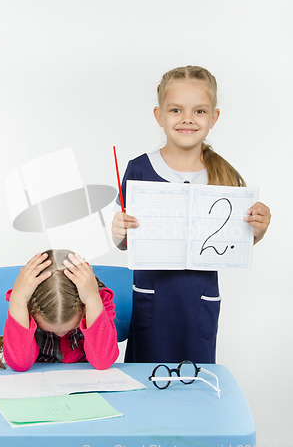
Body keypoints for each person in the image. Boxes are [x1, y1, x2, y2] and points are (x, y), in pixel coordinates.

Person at [111, 65, 271, 364]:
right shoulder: (139, 169)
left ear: (214, 117)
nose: (187, 119)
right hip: (153, 302)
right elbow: (127, 243)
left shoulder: (224, 174)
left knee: (195, 387)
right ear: (159, 115)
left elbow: (233, 243)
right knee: (147, 384)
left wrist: (257, 231)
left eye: (199, 111)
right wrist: (119, 233)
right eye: (175, 110)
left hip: (198, 303)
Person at [0, 249, 118, 371]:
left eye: (70, 328)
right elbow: (19, 364)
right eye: (51, 331)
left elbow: (102, 361)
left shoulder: (97, 300)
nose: (60, 334)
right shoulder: (24, 303)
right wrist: (18, 300)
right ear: (31, 309)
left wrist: (92, 300)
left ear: (84, 305)